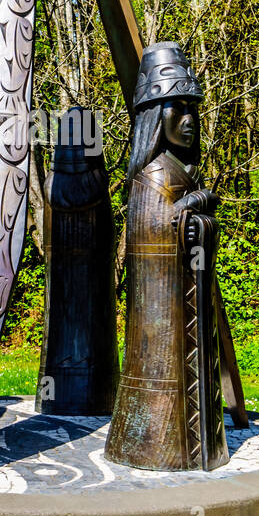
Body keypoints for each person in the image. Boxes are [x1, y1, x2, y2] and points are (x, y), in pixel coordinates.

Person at [106, 43, 228, 472]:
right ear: (157, 117)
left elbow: (181, 222)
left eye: (194, 110)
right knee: (161, 384)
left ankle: (196, 446)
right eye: (179, 110)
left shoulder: (181, 169)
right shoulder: (153, 174)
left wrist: (197, 205)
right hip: (159, 314)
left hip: (183, 308)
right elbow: (152, 233)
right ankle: (157, 445)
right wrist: (194, 207)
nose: (190, 120)